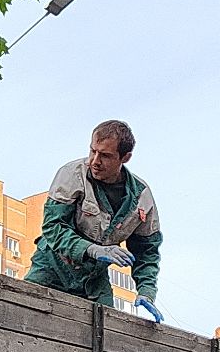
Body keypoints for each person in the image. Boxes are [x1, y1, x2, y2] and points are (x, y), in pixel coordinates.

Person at [24, 120, 163, 320]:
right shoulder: (72, 175)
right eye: (92, 151)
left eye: (105, 156)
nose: (94, 161)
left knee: (105, 327)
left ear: (125, 157)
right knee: (23, 310)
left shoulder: (142, 198)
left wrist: (146, 291)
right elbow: (53, 227)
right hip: (52, 266)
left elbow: (147, 252)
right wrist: (93, 250)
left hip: (94, 278)